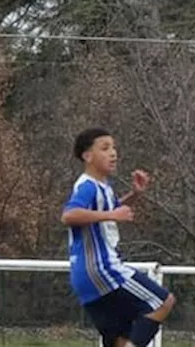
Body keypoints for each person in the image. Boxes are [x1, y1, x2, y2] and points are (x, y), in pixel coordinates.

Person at [62, 127, 175, 347]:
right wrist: (111, 214)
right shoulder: (87, 186)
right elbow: (69, 215)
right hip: (102, 269)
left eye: (114, 148)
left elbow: (110, 210)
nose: (113, 153)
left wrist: (135, 195)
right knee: (162, 302)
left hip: (85, 277)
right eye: (105, 148)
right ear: (87, 156)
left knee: (119, 340)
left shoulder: (103, 187)